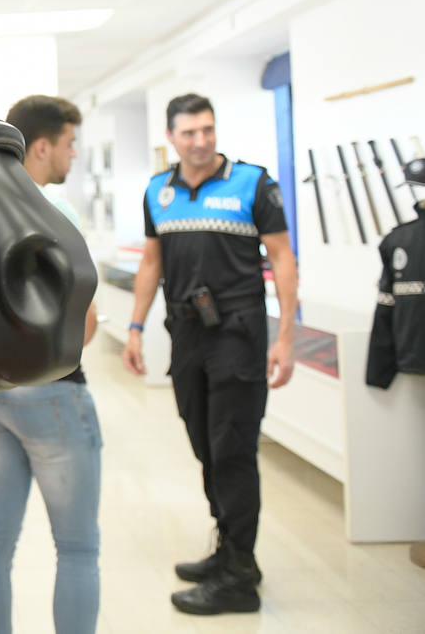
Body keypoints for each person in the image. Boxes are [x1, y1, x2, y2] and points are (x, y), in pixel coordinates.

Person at [123, 92, 297, 616]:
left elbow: (283, 259)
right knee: (203, 443)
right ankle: (229, 548)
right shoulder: (159, 190)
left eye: (208, 130)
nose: (201, 141)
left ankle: (239, 577)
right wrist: (135, 327)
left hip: (239, 334)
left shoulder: (253, 183)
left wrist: (285, 335)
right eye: (189, 133)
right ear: (171, 138)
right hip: (188, 334)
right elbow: (152, 263)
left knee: (232, 451)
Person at [0, 94, 101, 634]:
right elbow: (85, 325)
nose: (74, 154)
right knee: (76, 550)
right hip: (53, 395)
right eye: (70, 144)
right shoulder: (57, 213)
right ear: (42, 146)